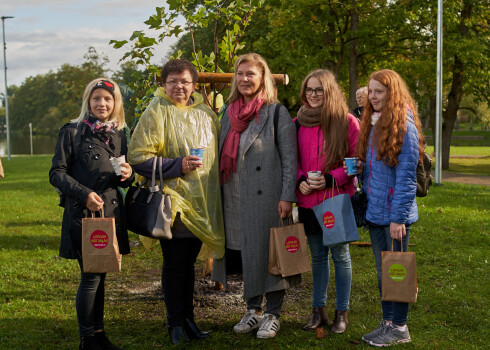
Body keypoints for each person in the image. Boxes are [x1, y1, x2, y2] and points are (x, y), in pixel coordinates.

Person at [127, 58, 224, 345]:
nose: (178, 86)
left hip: (202, 203)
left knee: (189, 264)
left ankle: (188, 319)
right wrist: (176, 166)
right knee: (174, 264)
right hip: (173, 203)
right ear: (164, 84)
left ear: (194, 85)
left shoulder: (206, 113)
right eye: (172, 81)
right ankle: (175, 323)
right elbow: (138, 158)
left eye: (184, 81)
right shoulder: (156, 111)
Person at [211, 53, 299, 339]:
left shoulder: (276, 112)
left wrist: (287, 196)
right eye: (240, 74)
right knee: (247, 254)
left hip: (267, 197)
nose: (244, 79)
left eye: (251, 74)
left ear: (263, 78)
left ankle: (273, 313)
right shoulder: (228, 112)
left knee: (271, 253)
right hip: (234, 194)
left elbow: (289, 159)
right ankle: (253, 310)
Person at [49, 78, 134, 350]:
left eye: (108, 99)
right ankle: (87, 338)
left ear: (115, 103)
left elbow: (121, 178)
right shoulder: (72, 132)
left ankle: (98, 334)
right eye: (97, 98)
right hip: (83, 215)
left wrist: (128, 175)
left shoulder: (118, 134)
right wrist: (83, 193)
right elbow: (56, 173)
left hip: (109, 216)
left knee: (102, 274)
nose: (102, 103)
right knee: (91, 276)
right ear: (88, 101)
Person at [355, 69, 423, 346]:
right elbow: (378, 170)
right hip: (375, 211)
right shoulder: (374, 123)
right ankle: (387, 323)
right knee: (384, 271)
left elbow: (407, 178)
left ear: (392, 93)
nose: (372, 96)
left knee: (397, 271)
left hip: (394, 216)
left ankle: (400, 328)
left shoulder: (404, 125)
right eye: (370, 91)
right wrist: (361, 170)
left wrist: (398, 218)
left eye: (379, 91)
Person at [295, 69, 360, 334]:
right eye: (309, 90)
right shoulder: (297, 123)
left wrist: (332, 179)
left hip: (336, 200)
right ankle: (317, 310)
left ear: (329, 91)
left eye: (318, 90)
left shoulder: (346, 122)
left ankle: (341, 312)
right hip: (308, 201)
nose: (312, 95)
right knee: (318, 257)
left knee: (341, 256)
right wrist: (299, 179)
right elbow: (293, 160)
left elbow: (355, 161)